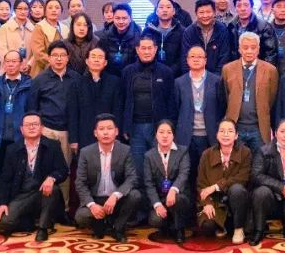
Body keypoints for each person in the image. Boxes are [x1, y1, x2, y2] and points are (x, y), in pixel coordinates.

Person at [0, 112, 69, 241]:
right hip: (21, 195)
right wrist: (2, 203)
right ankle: (29, 221)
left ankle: (43, 228)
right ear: (21, 129)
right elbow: (5, 179)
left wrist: (52, 178)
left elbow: (63, 170)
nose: (32, 127)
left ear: (42, 128)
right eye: (28, 125)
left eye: (35, 124)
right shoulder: (12, 149)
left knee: (53, 189)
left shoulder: (52, 146)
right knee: (4, 224)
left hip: (43, 192)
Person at [28, 41, 80, 206]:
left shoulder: (76, 79)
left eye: (62, 55)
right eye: (55, 55)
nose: (58, 59)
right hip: (45, 130)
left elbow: (79, 109)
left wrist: (75, 137)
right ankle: (40, 208)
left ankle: (63, 208)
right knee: (42, 170)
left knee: (64, 171)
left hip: (67, 132)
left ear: (68, 58)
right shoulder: (39, 80)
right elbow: (32, 108)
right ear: (49, 58)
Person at [74, 114, 142, 242]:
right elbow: (80, 183)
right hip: (96, 199)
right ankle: (102, 223)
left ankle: (118, 228)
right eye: (101, 129)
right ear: (95, 133)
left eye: (109, 128)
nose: (105, 132)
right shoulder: (86, 152)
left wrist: (116, 195)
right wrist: (92, 205)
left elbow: (132, 178)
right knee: (81, 217)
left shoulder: (125, 150)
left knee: (135, 195)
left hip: (116, 200)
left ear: (116, 131)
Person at [120, 35, 177, 175]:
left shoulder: (166, 72)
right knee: (138, 167)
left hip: (158, 128)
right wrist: (125, 126)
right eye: (143, 48)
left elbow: (171, 102)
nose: (146, 51)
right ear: (137, 50)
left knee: (159, 167)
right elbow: (123, 101)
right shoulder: (127, 72)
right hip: (135, 128)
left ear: (156, 49)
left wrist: (170, 127)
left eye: (150, 48)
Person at [196, 119, 252, 244]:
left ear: (236, 135)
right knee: (207, 227)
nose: (226, 134)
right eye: (222, 131)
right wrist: (207, 203)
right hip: (216, 201)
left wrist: (216, 186)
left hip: (236, 200)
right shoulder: (207, 154)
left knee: (237, 189)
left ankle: (238, 229)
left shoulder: (245, 152)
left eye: (230, 131)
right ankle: (224, 225)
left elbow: (242, 178)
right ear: (216, 135)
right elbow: (201, 184)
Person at [222, 32, 279, 153]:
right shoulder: (228, 69)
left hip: (259, 128)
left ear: (258, 49)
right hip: (236, 127)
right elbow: (225, 96)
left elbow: (272, 98)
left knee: (260, 161)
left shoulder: (270, 70)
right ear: (239, 49)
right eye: (245, 47)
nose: (249, 51)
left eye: (253, 48)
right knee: (237, 161)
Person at [175, 46, 226, 176]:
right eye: (192, 56)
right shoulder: (179, 82)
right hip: (187, 136)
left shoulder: (216, 81)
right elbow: (175, 110)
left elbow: (222, 107)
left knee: (209, 173)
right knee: (189, 173)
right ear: (187, 60)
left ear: (205, 60)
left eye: (200, 56)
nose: (196, 59)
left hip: (210, 135)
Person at [143, 120, 192, 245]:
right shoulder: (149, 156)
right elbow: (149, 184)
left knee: (179, 199)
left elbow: (184, 174)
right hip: (161, 199)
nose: (165, 136)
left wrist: (173, 190)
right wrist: (157, 204)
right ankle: (168, 226)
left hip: (179, 197)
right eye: (161, 132)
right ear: (156, 135)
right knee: (155, 220)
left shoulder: (183, 151)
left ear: (173, 135)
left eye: (169, 132)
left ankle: (179, 229)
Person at [0, 50, 34, 163]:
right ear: (3, 64)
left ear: (21, 63)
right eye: (8, 61)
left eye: (14, 61)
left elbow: (33, 112)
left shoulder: (29, 84)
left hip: (20, 139)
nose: (10, 64)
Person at [73, 47, 123, 152]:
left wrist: (116, 134)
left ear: (105, 62)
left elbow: (117, 110)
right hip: (84, 133)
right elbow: (73, 112)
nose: (96, 60)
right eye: (93, 57)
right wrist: (73, 139)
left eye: (100, 57)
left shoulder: (114, 82)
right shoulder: (77, 83)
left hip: (108, 133)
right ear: (87, 61)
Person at [181, 0, 232, 74]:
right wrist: (193, 78)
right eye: (201, 12)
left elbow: (224, 58)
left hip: (217, 77)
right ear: (196, 13)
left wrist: (215, 78)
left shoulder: (222, 30)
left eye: (208, 12)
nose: (205, 15)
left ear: (214, 13)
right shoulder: (189, 32)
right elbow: (185, 59)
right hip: (193, 77)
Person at [227, 0, 278, 64]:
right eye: (239, 6)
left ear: (251, 7)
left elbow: (270, 54)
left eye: (246, 5)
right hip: (237, 67)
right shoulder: (231, 26)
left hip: (258, 67)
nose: (242, 9)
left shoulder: (264, 26)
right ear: (235, 9)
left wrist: (264, 69)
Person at [30, 0, 72, 77]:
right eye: (50, 8)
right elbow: (38, 53)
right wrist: (56, 63)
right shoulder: (39, 27)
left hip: (63, 70)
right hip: (43, 71)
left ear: (61, 11)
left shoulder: (65, 28)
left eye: (57, 8)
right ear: (45, 11)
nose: (54, 10)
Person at [145, 0, 186, 75]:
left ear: (173, 11)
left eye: (168, 7)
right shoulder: (148, 30)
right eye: (161, 7)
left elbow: (184, 56)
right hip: (152, 74)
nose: (164, 10)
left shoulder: (182, 31)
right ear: (156, 11)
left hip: (176, 75)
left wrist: (170, 72)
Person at [98, 3, 141, 76]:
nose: (121, 22)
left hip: (131, 77)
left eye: (124, 18)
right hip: (110, 78)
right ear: (113, 18)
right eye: (117, 18)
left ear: (130, 18)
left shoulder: (138, 37)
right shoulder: (106, 36)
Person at [0, 0, 36, 75]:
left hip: (28, 71)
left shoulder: (34, 29)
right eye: (20, 9)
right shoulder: (4, 28)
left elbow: (36, 52)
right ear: (14, 10)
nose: (23, 11)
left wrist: (29, 64)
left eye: (25, 9)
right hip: (8, 70)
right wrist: (15, 65)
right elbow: (2, 52)